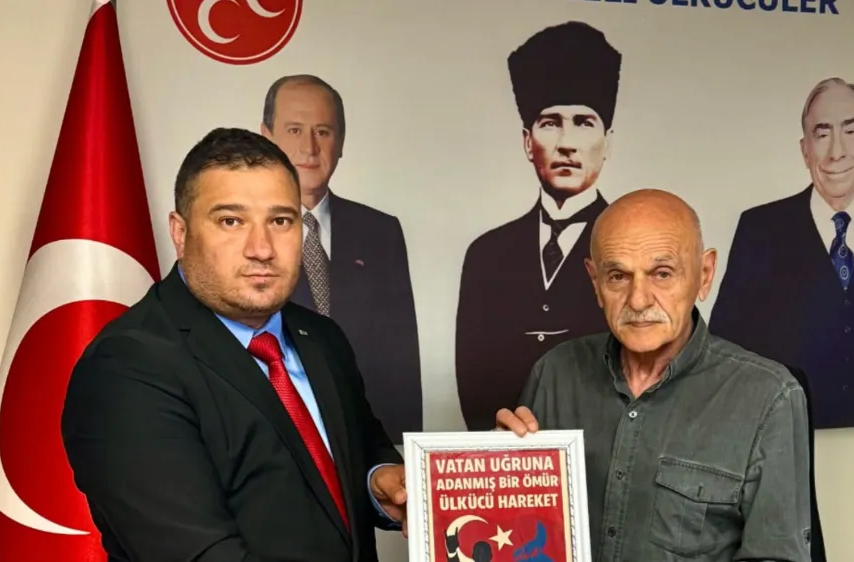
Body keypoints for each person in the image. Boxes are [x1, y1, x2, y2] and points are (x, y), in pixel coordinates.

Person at [61, 128, 407, 562]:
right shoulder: (126, 369)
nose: (261, 249)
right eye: (231, 221)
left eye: (280, 221)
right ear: (180, 232)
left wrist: (380, 482)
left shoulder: (322, 338)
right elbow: (198, 553)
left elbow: (358, 453)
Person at [496, 189, 812, 561]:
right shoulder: (554, 373)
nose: (638, 300)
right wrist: (495, 476)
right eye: (618, 276)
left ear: (704, 275)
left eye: (662, 274)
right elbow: (520, 537)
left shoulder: (769, 396)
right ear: (595, 282)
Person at [710, 77, 854, 429]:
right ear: (805, 150)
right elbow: (727, 348)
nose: (836, 152)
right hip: (781, 441)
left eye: (850, 131)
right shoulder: (760, 228)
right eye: (822, 134)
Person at [455, 21, 619, 431]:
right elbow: (474, 388)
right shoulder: (487, 255)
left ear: (607, 142)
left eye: (584, 122)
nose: (567, 143)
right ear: (528, 142)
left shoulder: (630, 248)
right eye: (550, 122)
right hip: (513, 461)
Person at [260, 74, 422, 444]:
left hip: (371, 447)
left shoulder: (381, 231)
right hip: (278, 444)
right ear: (266, 137)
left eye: (323, 131)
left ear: (342, 141)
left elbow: (402, 364)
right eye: (295, 130)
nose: (309, 148)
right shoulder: (245, 235)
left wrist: (403, 453)